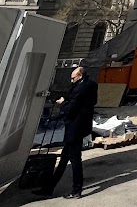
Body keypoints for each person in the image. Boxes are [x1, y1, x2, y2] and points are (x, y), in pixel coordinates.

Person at [35, 66, 97, 199]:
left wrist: (62, 103)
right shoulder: (90, 85)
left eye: (73, 78)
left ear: (80, 76)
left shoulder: (81, 89)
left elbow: (70, 109)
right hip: (79, 126)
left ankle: (76, 190)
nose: (71, 80)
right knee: (64, 159)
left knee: (75, 160)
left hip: (75, 128)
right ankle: (49, 187)